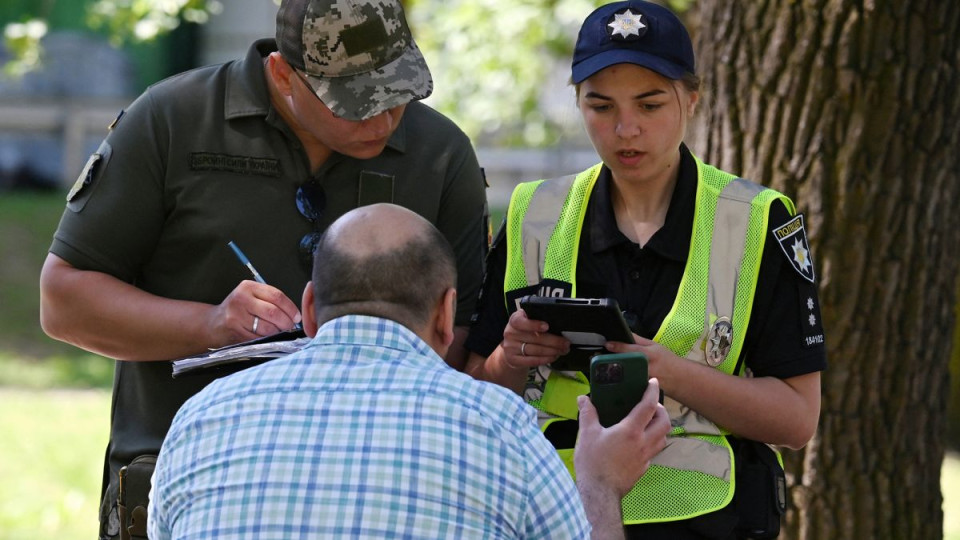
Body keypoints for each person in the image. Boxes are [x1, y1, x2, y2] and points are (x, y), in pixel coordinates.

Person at [37, 0, 487, 537]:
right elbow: (63, 300)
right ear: (282, 73)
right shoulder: (173, 120)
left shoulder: (440, 154)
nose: (384, 119)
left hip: (380, 490)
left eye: (396, 92)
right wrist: (211, 327)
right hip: (188, 487)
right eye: (356, 101)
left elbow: (463, 331)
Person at [464, 2, 827, 538]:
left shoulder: (757, 220)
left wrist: (668, 370)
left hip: (708, 520)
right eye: (600, 106)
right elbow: (474, 393)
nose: (625, 129)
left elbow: (797, 420)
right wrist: (510, 358)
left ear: (692, 100)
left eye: (650, 104)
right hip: (554, 514)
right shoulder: (533, 212)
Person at [147, 203, 671, 540]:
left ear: (308, 309)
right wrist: (600, 484)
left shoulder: (201, 416)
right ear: (446, 315)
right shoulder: (500, 425)